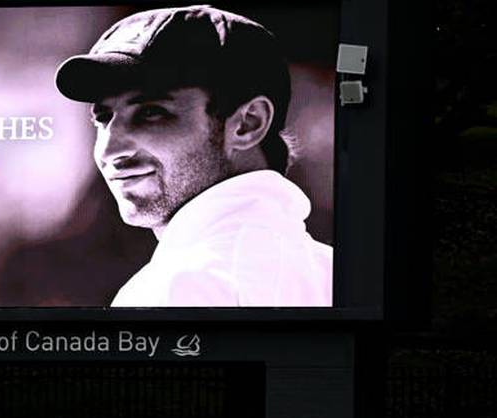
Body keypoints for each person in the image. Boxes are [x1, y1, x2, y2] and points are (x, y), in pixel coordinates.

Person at [56, 5, 332, 307]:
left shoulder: (176, 287)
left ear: (248, 123)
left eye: (151, 113)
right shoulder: (335, 275)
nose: (110, 151)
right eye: (103, 119)